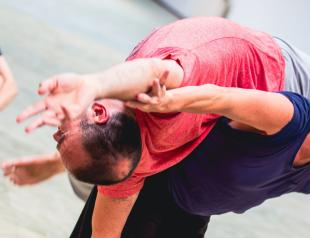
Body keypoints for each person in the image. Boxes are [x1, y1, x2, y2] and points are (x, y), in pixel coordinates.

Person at [5, 16, 310, 237]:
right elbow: (111, 210)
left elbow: (171, 76)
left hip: (275, 78)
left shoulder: (173, 84)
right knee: (110, 163)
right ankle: (67, 163)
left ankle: (64, 162)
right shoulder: (137, 153)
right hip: (204, 117)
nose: (55, 131)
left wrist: (93, 82)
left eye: (59, 137)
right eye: (61, 137)